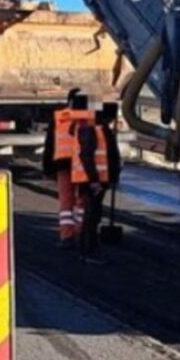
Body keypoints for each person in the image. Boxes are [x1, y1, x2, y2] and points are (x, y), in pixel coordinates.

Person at [72, 103, 122, 262]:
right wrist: (94, 181)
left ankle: (89, 249)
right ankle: (88, 251)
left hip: (100, 180)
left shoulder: (102, 130)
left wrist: (113, 175)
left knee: (94, 215)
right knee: (91, 216)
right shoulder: (91, 130)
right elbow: (87, 156)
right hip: (92, 182)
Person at [44, 89, 93, 248]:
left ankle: (66, 236)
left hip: (62, 165)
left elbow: (50, 145)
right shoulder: (90, 118)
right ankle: (81, 233)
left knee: (66, 202)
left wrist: (48, 168)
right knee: (82, 202)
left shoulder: (59, 118)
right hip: (82, 166)